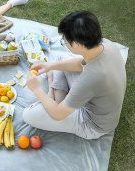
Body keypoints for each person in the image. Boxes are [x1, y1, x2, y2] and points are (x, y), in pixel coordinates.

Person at [23, 10, 126, 139]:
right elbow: (80, 64)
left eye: (65, 42)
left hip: (93, 125)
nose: (64, 43)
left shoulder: (90, 78)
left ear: (78, 45)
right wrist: (50, 66)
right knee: (60, 58)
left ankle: (55, 98)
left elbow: (58, 115)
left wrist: (36, 89)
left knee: (29, 115)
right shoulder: (107, 45)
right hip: (100, 101)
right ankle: (60, 101)